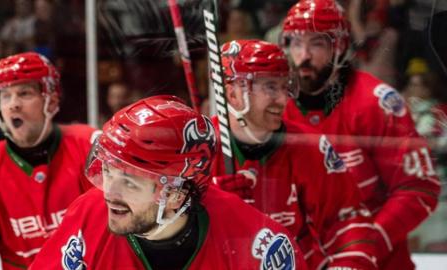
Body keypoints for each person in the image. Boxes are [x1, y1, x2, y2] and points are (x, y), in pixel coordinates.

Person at [29, 95, 308, 270]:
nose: (108, 193)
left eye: (129, 181)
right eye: (109, 171)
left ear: (175, 196)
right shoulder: (89, 215)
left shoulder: (258, 245)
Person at [280, 0, 441, 268]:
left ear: (340, 46)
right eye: (296, 43)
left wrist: (363, 248)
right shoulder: (278, 108)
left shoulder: (375, 102)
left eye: (317, 44)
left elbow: (417, 187)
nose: (303, 55)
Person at [211, 39, 381, 269]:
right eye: (271, 87)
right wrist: (208, 204)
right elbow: (163, 237)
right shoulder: (197, 151)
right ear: (232, 94)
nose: (283, 99)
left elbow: (348, 223)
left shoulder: (309, 146)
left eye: (285, 86)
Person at [0, 52, 96, 270]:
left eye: (24, 93)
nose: (12, 105)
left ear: (51, 100)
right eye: (5, 96)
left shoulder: (89, 147)